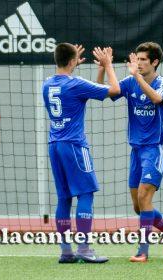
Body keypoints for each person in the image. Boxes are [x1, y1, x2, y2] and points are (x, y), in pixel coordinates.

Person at [97, 42, 163, 262]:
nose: (139, 63)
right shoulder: (132, 81)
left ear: (155, 62)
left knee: (145, 196)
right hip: (135, 150)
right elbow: (104, 90)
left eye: (144, 59)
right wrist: (105, 67)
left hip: (155, 148)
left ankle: (142, 252)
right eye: (138, 59)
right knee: (138, 206)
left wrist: (137, 77)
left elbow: (156, 99)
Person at [42, 43, 120, 263]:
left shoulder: (47, 84)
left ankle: (66, 251)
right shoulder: (76, 84)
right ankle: (84, 248)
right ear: (72, 61)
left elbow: (92, 89)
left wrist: (97, 71)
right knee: (86, 194)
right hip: (74, 145)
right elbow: (114, 90)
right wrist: (108, 64)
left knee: (64, 198)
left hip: (54, 145)